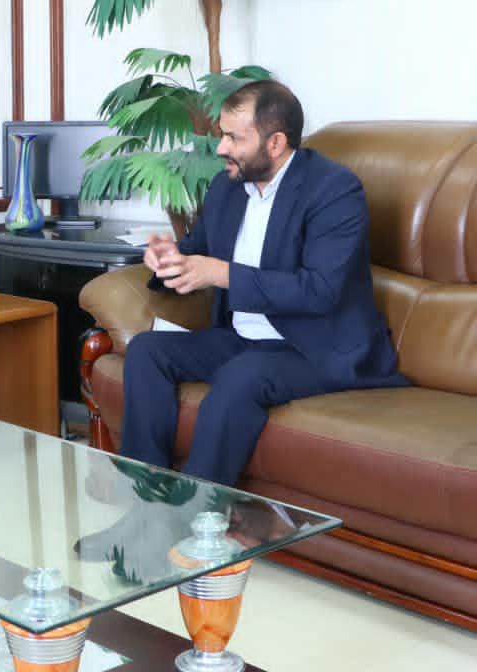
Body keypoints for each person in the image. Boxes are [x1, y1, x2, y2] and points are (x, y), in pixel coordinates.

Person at [119, 80, 407, 487]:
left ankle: (200, 517)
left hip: (314, 348)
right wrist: (168, 261)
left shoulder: (334, 191)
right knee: (147, 351)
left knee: (242, 377)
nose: (221, 148)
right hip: (243, 338)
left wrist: (220, 273)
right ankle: (144, 497)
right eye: (222, 135)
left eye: (234, 138)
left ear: (275, 143)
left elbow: (320, 290)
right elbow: (197, 250)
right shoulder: (227, 187)